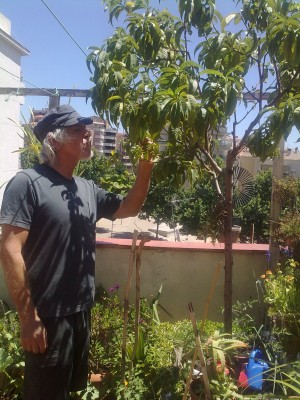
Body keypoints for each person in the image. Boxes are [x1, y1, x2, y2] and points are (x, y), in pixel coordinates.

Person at [0, 104, 153, 400]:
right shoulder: (28, 183)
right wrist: (28, 318)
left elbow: (129, 207)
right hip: (47, 314)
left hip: (80, 311)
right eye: (77, 129)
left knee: (68, 390)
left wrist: (145, 169)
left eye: (87, 128)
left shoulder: (85, 189)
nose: (87, 133)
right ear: (54, 141)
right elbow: (10, 250)